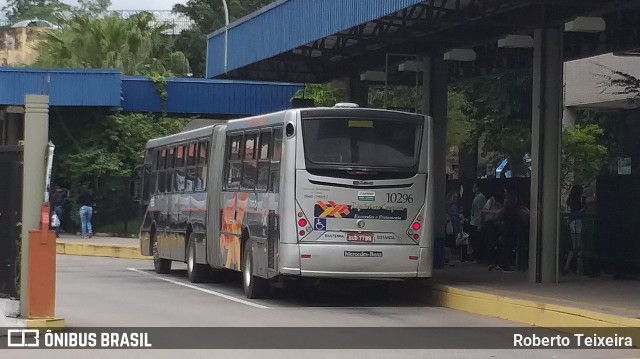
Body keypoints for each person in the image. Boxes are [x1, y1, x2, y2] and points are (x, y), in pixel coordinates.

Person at [564, 185, 584, 274]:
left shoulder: (570, 200)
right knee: (579, 246)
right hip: (578, 221)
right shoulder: (580, 200)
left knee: (573, 246)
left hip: (572, 221)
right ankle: (579, 268)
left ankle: (567, 265)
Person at [469, 182, 487, 263]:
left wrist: (480, 223)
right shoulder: (477, 197)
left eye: (474, 187)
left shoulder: (480, 197)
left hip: (476, 221)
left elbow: (481, 211)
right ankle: (476, 256)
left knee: (477, 240)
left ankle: (478, 257)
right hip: (474, 221)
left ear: (477, 188)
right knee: (474, 239)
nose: (473, 189)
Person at [445, 191, 463, 265]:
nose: (456, 199)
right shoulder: (448, 205)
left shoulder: (455, 206)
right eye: (454, 197)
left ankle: (448, 258)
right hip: (450, 225)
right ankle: (448, 258)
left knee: (451, 242)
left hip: (454, 225)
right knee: (449, 242)